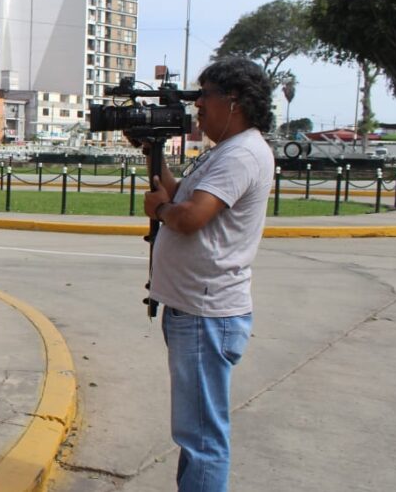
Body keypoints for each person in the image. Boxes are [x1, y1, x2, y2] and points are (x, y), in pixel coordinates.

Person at [140, 56, 274, 492]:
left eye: (204, 97)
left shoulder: (243, 154)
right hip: (194, 310)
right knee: (195, 432)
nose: (197, 107)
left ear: (233, 102)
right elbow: (184, 194)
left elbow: (190, 215)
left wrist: (159, 210)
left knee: (202, 439)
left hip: (205, 314)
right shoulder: (228, 151)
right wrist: (151, 151)